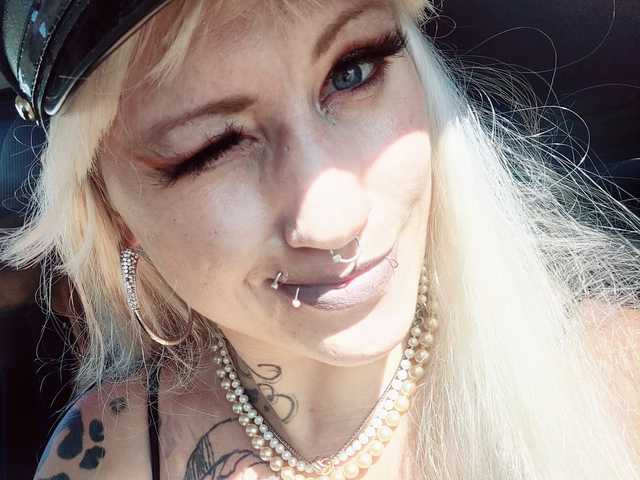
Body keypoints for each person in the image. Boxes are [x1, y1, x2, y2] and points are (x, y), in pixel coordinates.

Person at [1, 1, 640, 479]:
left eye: (354, 72)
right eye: (214, 146)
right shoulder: (111, 454)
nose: (334, 218)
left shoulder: (619, 385)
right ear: (113, 213)